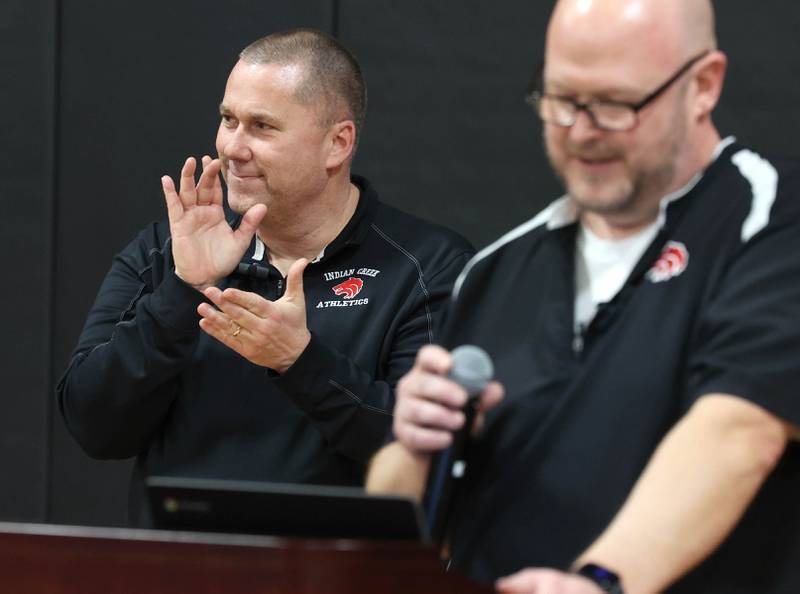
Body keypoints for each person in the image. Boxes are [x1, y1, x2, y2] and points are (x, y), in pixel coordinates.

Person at [367, 1, 800, 592]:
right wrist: (410, 448)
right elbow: (402, 521)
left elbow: (740, 432)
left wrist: (601, 580)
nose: (582, 130)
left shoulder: (770, 220)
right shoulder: (494, 271)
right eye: (562, 101)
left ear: (703, 86)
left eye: (616, 104)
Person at [57, 29, 473, 524]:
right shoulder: (164, 250)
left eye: (262, 127)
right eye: (228, 119)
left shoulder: (428, 267)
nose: (233, 146)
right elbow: (94, 427)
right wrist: (183, 291)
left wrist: (300, 362)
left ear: (337, 144)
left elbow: (426, 455)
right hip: (180, 570)